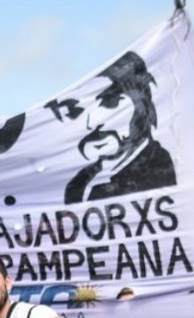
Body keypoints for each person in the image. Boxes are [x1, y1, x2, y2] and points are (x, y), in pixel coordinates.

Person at [57, 51, 177, 204]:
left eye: (110, 104)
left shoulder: (158, 169)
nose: (91, 124)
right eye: (76, 111)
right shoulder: (77, 184)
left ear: (141, 105)